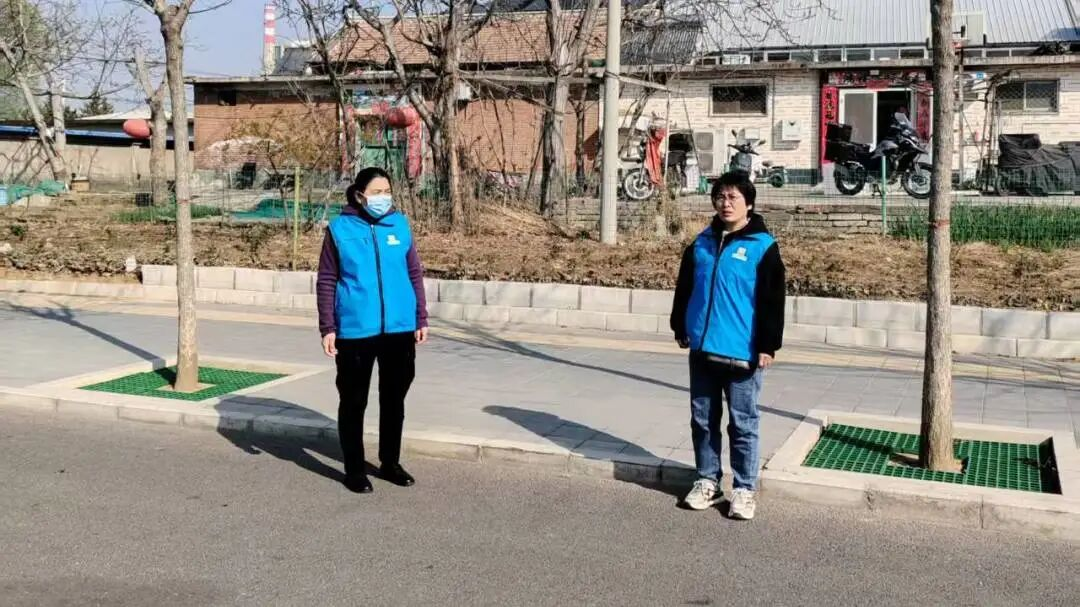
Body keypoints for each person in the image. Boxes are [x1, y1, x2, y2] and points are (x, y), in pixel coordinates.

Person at [669, 171, 786, 520]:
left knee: (743, 423)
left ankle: (744, 488)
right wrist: (680, 326)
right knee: (703, 420)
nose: (725, 203)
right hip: (703, 348)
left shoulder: (763, 247)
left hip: (742, 352)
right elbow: (685, 287)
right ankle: (708, 480)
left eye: (733, 197)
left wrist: (768, 345)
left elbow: (772, 300)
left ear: (749, 204)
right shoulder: (701, 243)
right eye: (720, 196)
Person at [316, 167, 429, 494]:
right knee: (354, 401)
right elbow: (327, 279)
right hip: (355, 330)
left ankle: (390, 462)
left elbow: (414, 273)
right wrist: (328, 326)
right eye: (377, 192)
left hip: (399, 329)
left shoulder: (400, 225)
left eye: (387, 191)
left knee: (394, 398)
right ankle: (354, 469)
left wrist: (420, 317)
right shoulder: (339, 230)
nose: (384, 198)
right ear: (359, 195)